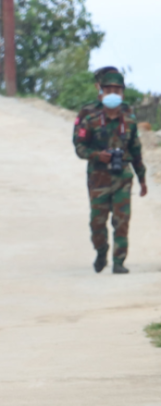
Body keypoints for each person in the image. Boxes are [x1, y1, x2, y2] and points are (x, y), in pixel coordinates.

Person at [73, 70, 148, 274]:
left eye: (117, 89)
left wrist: (142, 178)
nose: (113, 93)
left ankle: (119, 261)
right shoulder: (90, 117)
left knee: (121, 221)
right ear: (101, 91)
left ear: (122, 93)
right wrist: (98, 155)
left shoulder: (129, 119)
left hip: (122, 176)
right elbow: (79, 147)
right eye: (109, 89)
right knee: (97, 221)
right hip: (98, 177)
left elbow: (136, 150)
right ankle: (101, 251)